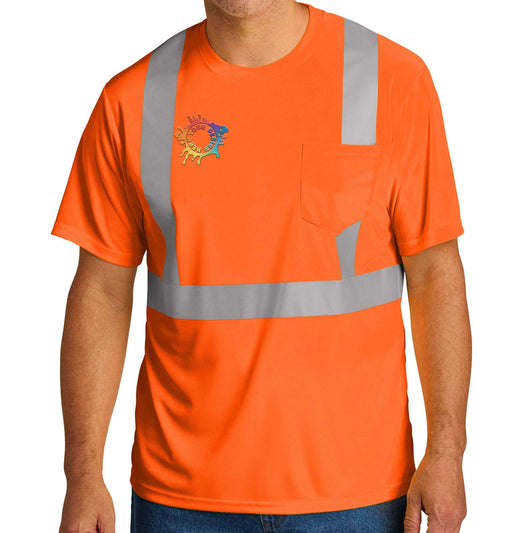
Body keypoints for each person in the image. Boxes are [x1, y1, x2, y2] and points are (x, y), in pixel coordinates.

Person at [52, 1, 472, 532]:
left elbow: (436, 276)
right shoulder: (132, 99)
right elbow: (102, 292)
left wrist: (447, 452)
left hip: (358, 495)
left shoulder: (391, 78)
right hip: (179, 499)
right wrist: (83, 474)